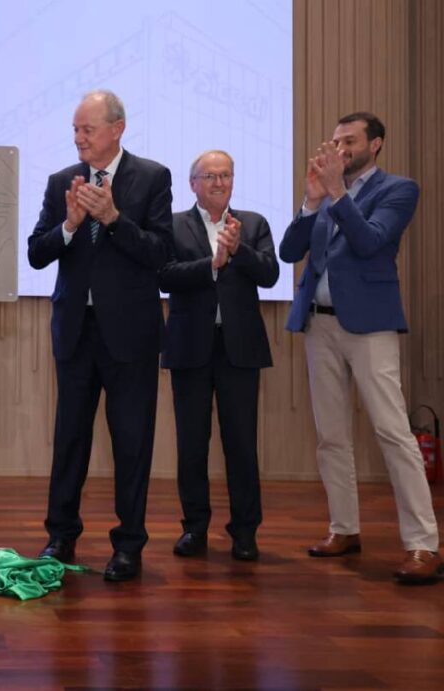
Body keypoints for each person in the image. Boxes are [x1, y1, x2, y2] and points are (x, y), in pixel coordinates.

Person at [279, 111, 441, 584]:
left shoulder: (398, 189)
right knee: (331, 435)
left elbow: (371, 243)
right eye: (335, 141)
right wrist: (311, 202)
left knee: (393, 432)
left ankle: (423, 544)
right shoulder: (327, 192)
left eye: (349, 141)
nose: (340, 149)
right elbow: (290, 252)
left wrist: (336, 193)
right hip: (319, 324)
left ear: (376, 145)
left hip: (369, 327)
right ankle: (344, 528)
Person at [27, 90, 172, 581]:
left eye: (87, 129)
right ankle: (60, 536)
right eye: (75, 129)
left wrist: (113, 219)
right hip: (75, 331)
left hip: (131, 335)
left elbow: (159, 254)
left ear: (117, 128)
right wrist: (69, 226)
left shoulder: (152, 177)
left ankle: (128, 545)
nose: (79, 138)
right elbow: (36, 253)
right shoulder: (60, 182)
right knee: (70, 438)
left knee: (132, 441)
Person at [158, 150, 279, 562]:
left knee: (241, 444)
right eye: (210, 176)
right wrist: (212, 265)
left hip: (239, 348)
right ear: (193, 183)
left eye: (225, 175)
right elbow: (164, 276)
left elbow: (270, 274)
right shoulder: (173, 224)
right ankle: (194, 528)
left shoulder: (253, 224)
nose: (219, 183)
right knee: (192, 444)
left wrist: (238, 250)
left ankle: (245, 532)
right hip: (190, 347)